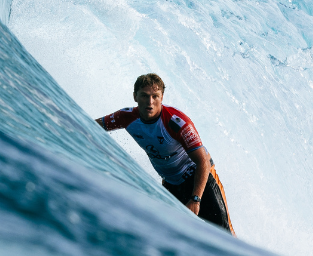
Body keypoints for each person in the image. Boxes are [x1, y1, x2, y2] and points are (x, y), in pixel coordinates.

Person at [95, 73, 234, 235]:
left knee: (224, 233)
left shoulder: (177, 123)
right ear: (135, 97)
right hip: (171, 184)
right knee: (170, 233)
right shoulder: (126, 117)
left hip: (200, 178)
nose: (150, 102)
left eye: (155, 96)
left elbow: (202, 161)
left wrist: (196, 198)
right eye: (144, 96)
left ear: (162, 97)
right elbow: (92, 125)